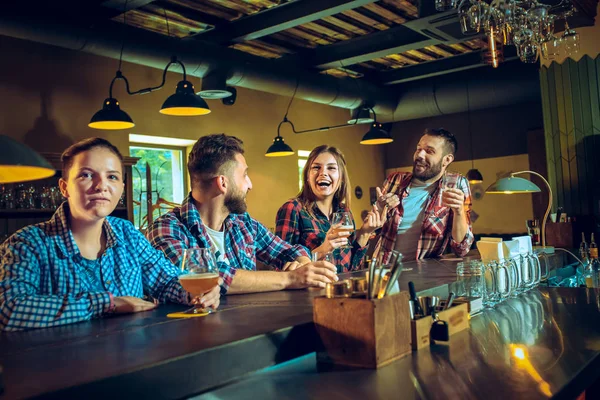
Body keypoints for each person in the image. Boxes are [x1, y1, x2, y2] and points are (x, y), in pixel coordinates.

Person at [0, 138, 219, 332]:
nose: (101, 186)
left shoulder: (127, 233)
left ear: (122, 188)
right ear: (64, 187)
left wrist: (195, 294)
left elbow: (167, 280)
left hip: (133, 364)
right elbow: (9, 310)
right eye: (86, 175)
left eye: (112, 177)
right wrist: (106, 303)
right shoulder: (26, 244)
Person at [147, 134, 338, 295]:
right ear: (223, 183)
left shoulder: (243, 223)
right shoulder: (167, 228)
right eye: (244, 175)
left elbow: (289, 250)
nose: (250, 185)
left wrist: (303, 265)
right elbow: (205, 279)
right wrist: (290, 278)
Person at [276, 145, 385, 272]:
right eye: (316, 167)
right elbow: (282, 268)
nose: (323, 173)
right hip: (310, 291)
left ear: (341, 178)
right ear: (307, 176)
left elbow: (352, 267)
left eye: (331, 168)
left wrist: (365, 232)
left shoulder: (344, 211)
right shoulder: (293, 209)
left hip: (342, 288)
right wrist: (323, 249)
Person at [375, 128, 474, 262]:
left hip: (424, 275)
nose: (420, 155)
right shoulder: (395, 180)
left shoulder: (456, 184)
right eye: (418, 149)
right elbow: (374, 229)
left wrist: (459, 211)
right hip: (384, 271)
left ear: (446, 160)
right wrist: (379, 211)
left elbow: (461, 249)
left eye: (429, 151)